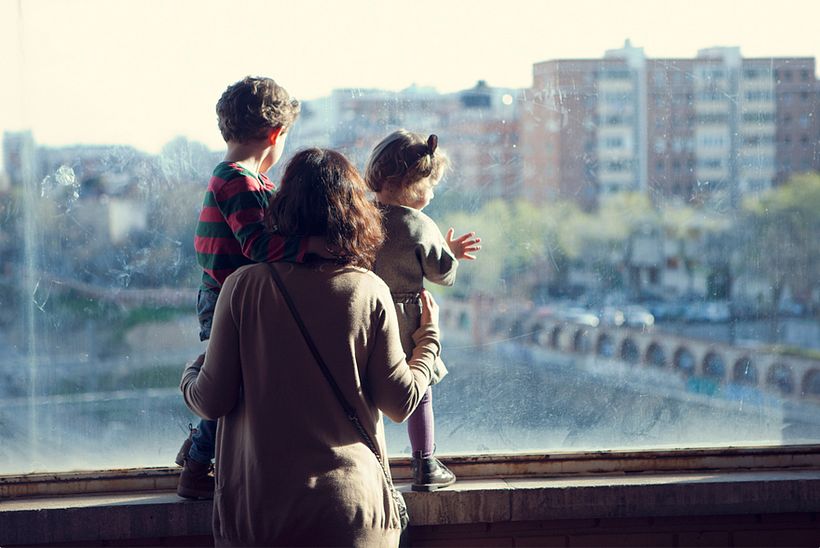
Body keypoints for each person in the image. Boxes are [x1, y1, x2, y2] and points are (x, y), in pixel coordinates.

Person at [180, 148, 440, 547]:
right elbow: (399, 402)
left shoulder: (242, 287)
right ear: (356, 213)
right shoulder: (367, 290)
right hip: (352, 514)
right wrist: (429, 341)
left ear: (281, 208)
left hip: (260, 517)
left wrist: (191, 372)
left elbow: (210, 399)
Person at [176, 76, 327, 499]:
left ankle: (197, 451)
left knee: (231, 382)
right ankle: (196, 467)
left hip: (226, 297)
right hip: (227, 301)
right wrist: (312, 244)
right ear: (276, 135)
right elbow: (258, 246)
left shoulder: (241, 180)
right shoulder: (238, 182)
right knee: (227, 386)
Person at [364, 129, 481, 491]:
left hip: (366, 312)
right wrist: (451, 255)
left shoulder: (361, 217)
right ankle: (424, 463)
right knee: (420, 388)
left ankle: (370, 466)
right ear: (417, 184)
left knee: (365, 391)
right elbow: (441, 274)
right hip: (409, 319)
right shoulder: (420, 225)